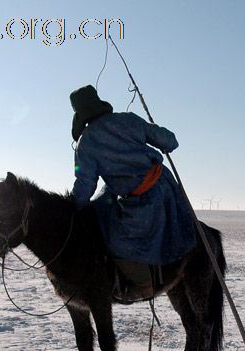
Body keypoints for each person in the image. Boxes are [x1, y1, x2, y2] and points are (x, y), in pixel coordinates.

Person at [69, 85, 196, 300]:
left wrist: (72, 208)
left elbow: (85, 184)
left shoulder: (87, 143)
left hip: (145, 200)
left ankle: (143, 283)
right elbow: (170, 141)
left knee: (114, 238)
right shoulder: (128, 120)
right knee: (103, 204)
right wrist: (154, 131)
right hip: (166, 187)